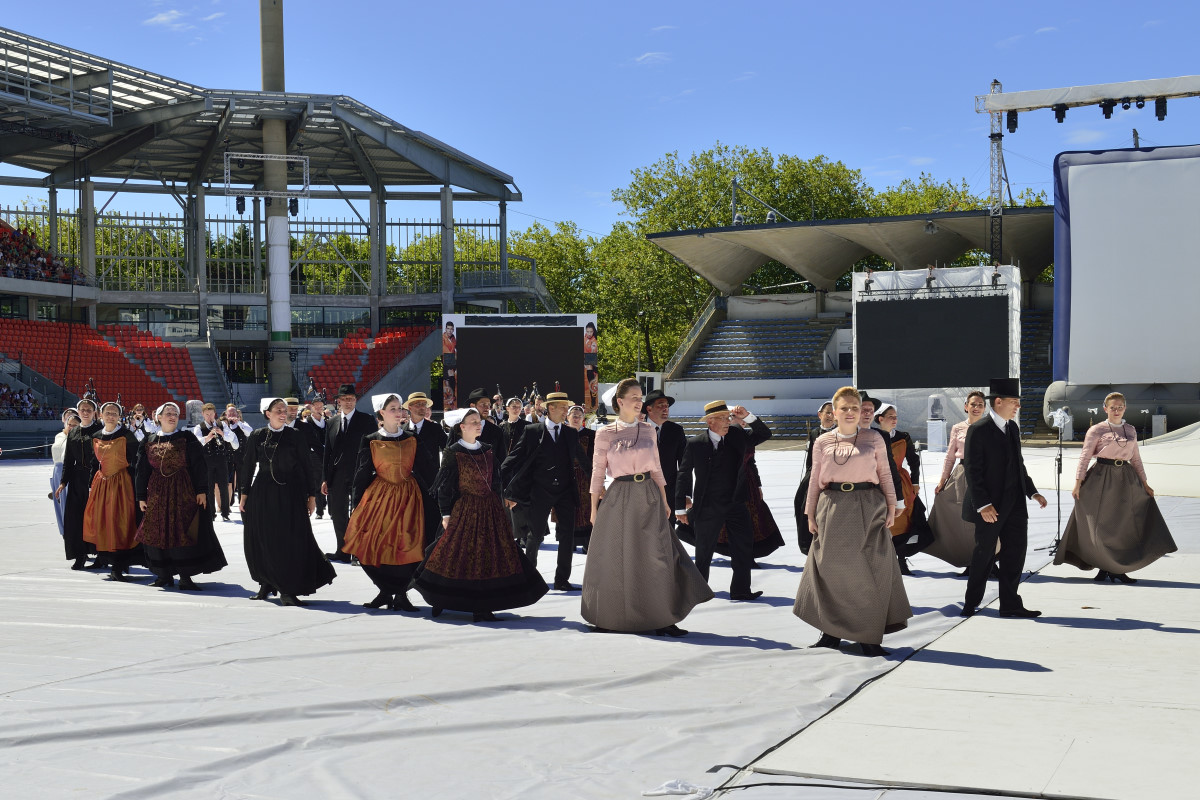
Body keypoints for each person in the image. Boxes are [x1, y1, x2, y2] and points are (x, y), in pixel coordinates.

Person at [581, 378, 713, 635]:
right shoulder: (605, 433)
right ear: (620, 402)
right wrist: (594, 509)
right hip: (618, 498)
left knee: (658, 558)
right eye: (634, 397)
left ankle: (664, 618)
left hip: (649, 496)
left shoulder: (648, 430)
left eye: (640, 397)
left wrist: (664, 500)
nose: (639, 401)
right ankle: (609, 618)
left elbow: (656, 468)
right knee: (616, 559)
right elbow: (597, 473)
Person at [794, 387, 911, 656]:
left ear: (861, 412)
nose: (850, 412)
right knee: (831, 571)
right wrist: (810, 514)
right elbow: (815, 479)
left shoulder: (874, 438)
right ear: (834, 412)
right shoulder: (822, 442)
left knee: (869, 570)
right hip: (831, 507)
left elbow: (885, 474)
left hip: (869, 505)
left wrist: (892, 506)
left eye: (855, 408)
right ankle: (831, 633)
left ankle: (868, 635)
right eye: (844, 408)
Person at [415, 407, 549, 621]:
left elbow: (496, 481)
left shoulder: (487, 449)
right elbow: (444, 487)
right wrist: (446, 513)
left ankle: (483, 605)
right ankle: (442, 597)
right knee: (456, 554)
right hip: (465, 510)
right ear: (462, 427)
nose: (479, 425)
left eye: (479, 421)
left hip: (490, 509)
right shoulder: (453, 452)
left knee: (489, 555)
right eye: (474, 422)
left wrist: (502, 500)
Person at [1055, 392, 1176, 583]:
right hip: (1101, 477)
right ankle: (1105, 566)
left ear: (1125, 408)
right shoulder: (1096, 430)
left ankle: (1117, 568)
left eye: (1120, 407)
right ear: (1105, 409)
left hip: (1126, 478)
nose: (1117, 410)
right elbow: (1085, 457)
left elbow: (1136, 459)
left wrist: (1145, 483)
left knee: (1123, 525)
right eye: (1113, 407)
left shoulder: (1131, 429)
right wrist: (1078, 484)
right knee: (1100, 525)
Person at [960, 378, 1048, 618]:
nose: (1018, 406)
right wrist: (983, 505)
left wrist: (1032, 491)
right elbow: (972, 471)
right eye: (1014, 401)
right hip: (990, 506)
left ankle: (1010, 604)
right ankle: (970, 602)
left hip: (1015, 503)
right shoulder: (978, 430)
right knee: (984, 554)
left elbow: (1018, 465)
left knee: (1015, 553)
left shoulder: (1013, 428)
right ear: (998, 402)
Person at [240, 397, 335, 606]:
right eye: (278, 410)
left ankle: (287, 588)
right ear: (267, 413)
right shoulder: (257, 436)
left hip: (290, 493)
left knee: (289, 541)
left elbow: (307, 466)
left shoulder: (295, 435)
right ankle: (266, 583)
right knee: (264, 539)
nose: (283, 414)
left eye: (285, 410)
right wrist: (244, 494)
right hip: (263, 493)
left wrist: (312, 496)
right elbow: (248, 466)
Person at [675, 400, 770, 601]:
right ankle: (699, 591)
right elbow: (683, 474)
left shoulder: (738, 437)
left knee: (743, 548)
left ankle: (741, 590)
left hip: (736, 504)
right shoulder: (695, 444)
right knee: (704, 551)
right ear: (710, 422)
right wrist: (681, 507)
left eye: (728, 417)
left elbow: (764, 434)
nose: (728, 421)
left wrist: (747, 416)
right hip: (707, 505)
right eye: (723, 418)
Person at [343, 393, 425, 611]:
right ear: (382, 412)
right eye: (393, 409)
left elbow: (425, 468)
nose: (398, 412)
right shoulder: (371, 439)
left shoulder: (412, 438)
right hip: (380, 498)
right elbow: (361, 473)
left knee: (406, 546)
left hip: (409, 498)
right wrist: (356, 505)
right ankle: (385, 590)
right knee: (374, 545)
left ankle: (401, 593)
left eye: (400, 408)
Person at [502, 390, 590, 592]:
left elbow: (584, 461)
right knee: (535, 535)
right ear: (551, 408)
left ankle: (562, 579)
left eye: (567, 407)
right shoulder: (533, 431)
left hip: (566, 491)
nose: (566, 411)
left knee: (567, 535)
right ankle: (529, 578)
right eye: (563, 407)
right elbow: (513, 458)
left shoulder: (570, 433)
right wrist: (501, 482)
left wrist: (597, 483)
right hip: (539, 491)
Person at [135, 402, 227, 590]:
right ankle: (163, 575)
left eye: (175, 414)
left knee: (182, 531)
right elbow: (141, 470)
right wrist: (141, 495)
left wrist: (201, 490)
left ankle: (185, 576)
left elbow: (199, 465)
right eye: (168, 413)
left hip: (183, 492)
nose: (172, 417)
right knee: (157, 531)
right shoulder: (148, 440)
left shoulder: (187, 438)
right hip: (157, 494)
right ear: (158, 417)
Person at [927, 391, 990, 570]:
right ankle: (970, 560)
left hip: (985, 475)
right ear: (966, 406)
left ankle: (990, 561)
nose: (976, 408)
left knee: (988, 517)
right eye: (973, 404)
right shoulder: (957, 428)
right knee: (965, 519)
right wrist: (943, 480)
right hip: (962, 474)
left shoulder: (990, 427)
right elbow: (949, 457)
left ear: (984, 408)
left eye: (980, 405)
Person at [83, 401, 145, 582]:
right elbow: (94, 463)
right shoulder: (95, 436)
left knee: (120, 522)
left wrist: (137, 485)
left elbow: (137, 460)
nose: (110, 416)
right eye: (107, 413)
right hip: (101, 484)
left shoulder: (126, 435)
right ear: (101, 415)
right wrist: (91, 484)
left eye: (114, 413)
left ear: (119, 416)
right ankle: (106, 560)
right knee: (102, 521)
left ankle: (119, 565)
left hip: (122, 484)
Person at [873, 403, 934, 574]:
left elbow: (914, 460)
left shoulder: (903, 437)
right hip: (879, 482)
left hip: (902, 483)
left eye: (896, 417)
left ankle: (901, 560)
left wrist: (915, 482)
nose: (894, 420)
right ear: (880, 419)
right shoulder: (872, 436)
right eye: (890, 417)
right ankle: (882, 560)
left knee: (903, 522)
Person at [321, 384, 376, 563]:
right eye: (344, 399)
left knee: (359, 513)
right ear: (338, 401)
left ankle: (358, 552)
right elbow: (327, 453)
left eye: (351, 398)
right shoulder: (332, 422)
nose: (348, 402)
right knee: (338, 513)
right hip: (337, 474)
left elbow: (374, 447)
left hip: (360, 473)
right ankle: (342, 550)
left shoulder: (367, 420)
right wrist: (324, 478)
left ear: (355, 400)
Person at [56, 398, 103, 570]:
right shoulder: (74, 432)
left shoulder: (100, 431)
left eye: (89, 409)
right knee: (76, 518)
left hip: (97, 478)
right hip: (77, 480)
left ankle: (101, 556)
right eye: (82, 409)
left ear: (94, 412)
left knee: (97, 518)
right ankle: (80, 555)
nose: (85, 412)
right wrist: (63, 482)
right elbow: (69, 460)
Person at [404, 390, 449, 551]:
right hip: (408, 484)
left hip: (431, 483)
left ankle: (430, 553)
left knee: (431, 519)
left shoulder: (435, 428)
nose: (422, 407)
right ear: (409, 407)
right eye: (418, 404)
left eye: (424, 404)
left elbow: (448, 450)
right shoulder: (402, 430)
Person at [794, 402, 835, 554]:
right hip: (814, 475)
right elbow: (810, 460)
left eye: (833, 413)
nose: (831, 416)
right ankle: (808, 545)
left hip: (832, 476)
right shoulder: (814, 433)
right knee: (802, 503)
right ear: (820, 415)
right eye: (828, 412)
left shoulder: (839, 433)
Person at [643, 389, 686, 527]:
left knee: (667, 534)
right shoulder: (637, 430)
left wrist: (685, 495)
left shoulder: (676, 431)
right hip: (641, 491)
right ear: (649, 409)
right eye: (661, 405)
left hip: (669, 494)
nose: (665, 409)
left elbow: (684, 465)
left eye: (667, 406)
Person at [193, 402, 239, 522]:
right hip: (207, 461)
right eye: (207, 414)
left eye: (211, 414)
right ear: (203, 414)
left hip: (221, 459)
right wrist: (208, 437)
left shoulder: (222, 424)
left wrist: (222, 434)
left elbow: (231, 437)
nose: (209, 417)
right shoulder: (199, 427)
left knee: (224, 486)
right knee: (209, 487)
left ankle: (225, 512)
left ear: (215, 414)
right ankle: (211, 513)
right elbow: (197, 443)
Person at [565, 404, 595, 551]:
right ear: (567, 417)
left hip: (585, 476)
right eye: (574, 416)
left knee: (585, 509)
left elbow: (594, 456)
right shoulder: (562, 433)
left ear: (583, 418)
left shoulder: (591, 434)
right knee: (567, 508)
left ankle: (586, 542)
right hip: (566, 476)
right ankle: (568, 543)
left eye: (579, 416)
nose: (576, 418)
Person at [50, 409, 80, 538]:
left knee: (69, 505)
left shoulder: (79, 438)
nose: (71, 426)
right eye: (69, 423)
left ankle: (72, 533)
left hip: (69, 470)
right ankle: (64, 532)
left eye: (74, 424)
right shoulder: (59, 436)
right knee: (59, 504)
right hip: (57, 470)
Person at [299, 392, 328, 519]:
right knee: (317, 482)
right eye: (316, 405)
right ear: (312, 407)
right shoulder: (307, 422)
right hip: (313, 456)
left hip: (326, 455)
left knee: (327, 481)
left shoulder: (327, 422)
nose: (318, 408)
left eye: (320, 406)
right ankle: (319, 510)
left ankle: (327, 507)